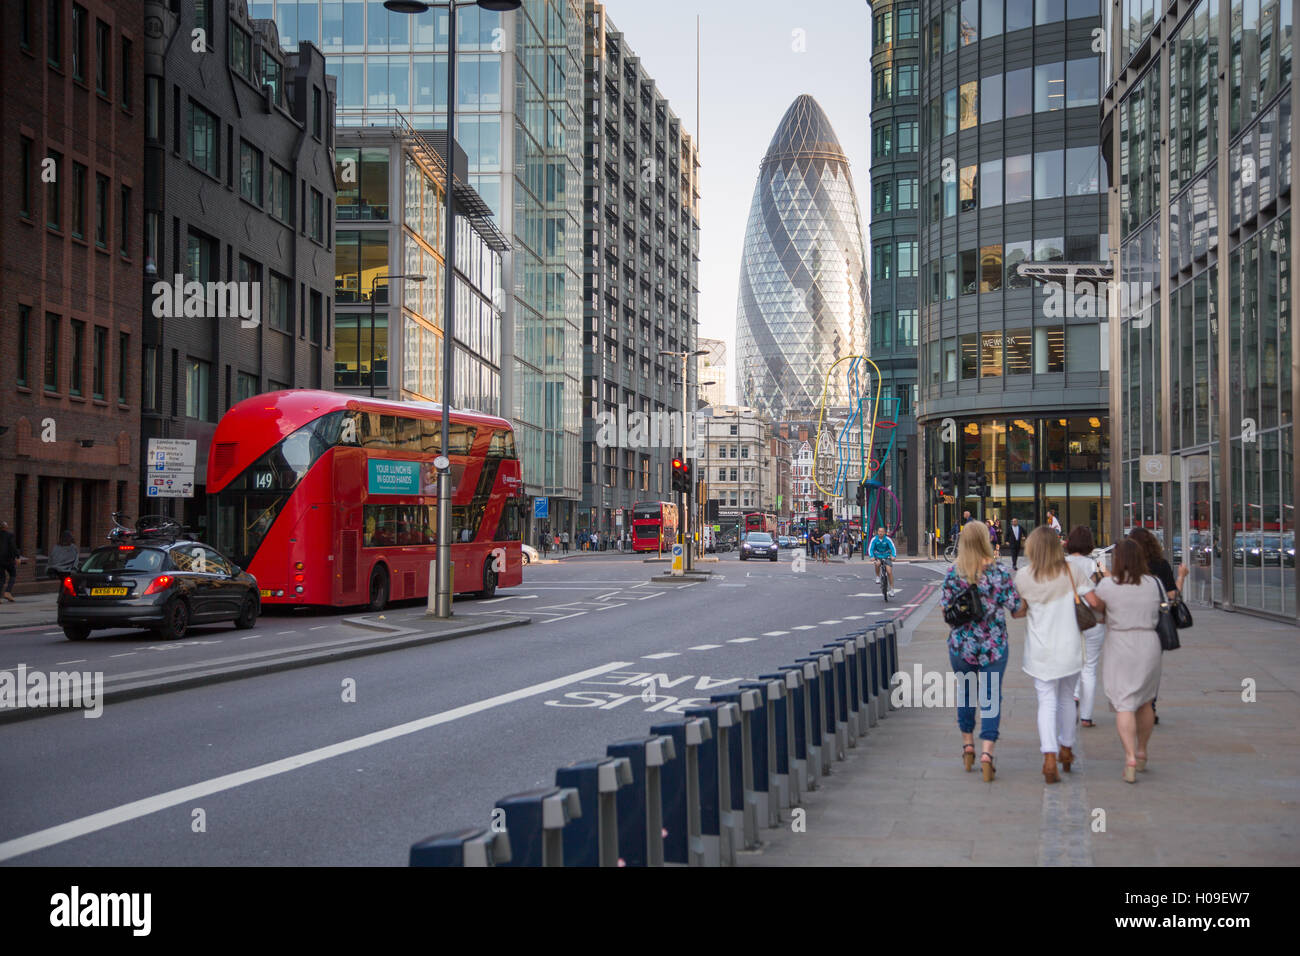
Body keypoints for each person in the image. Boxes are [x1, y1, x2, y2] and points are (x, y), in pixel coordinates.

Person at [1013, 526, 1100, 783]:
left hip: (1040, 652)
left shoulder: (1023, 576)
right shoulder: (1071, 572)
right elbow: (1094, 603)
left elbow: (1018, 611)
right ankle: (1066, 749)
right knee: (1065, 699)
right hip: (1070, 648)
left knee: (1046, 701)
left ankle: (1049, 757)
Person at [940, 520, 1023, 782]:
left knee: (965, 693)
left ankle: (968, 747)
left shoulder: (954, 573)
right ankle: (987, 753)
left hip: (961, 647)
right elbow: (1017, 610)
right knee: (990, 697)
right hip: (993, 647)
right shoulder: (998, 572)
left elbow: (945, 611)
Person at [1091, 539, 1163, 783]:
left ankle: (1130, 756)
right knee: (1145, 701)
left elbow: (1098, 616)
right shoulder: (1154, 583)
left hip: (1121, 643)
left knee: (1124, 703)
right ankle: (1142, 750)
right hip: (1149, 643)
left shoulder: (1108, 585)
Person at [1128, 527, 1186, 725]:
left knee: (1132, 668)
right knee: (1151, 668)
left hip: (1128, 625)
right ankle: (1149, 706)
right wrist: (1181, 577)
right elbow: (1172, 595)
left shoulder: (1127, 566)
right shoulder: (1161, 565)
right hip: (1154, 625)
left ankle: (1133, 705)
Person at [1064, 526, 1107, 729]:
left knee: (1070, 665)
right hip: (1092, 620)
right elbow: (1107, 587)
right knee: (1089, 668)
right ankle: (1087, 717)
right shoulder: (1096, 564)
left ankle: (1072, 698)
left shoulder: (1061, 565)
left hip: (1067, 620)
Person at [868, 527, 897, 594]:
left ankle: (892, 589)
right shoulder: (874, 539)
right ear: (877, 532)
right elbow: (870, 549)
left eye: (882, 531)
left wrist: (893, 556)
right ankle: (878, 576)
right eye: (879, 531)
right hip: (878, 556)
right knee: (877, 564)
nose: (880, 533)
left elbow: (893, 548)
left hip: (886, 556)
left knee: (889, 572)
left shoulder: (888, 539)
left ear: (884, 533)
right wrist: (871, 556)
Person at [0, 519, 24, 602]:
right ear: (5, 527)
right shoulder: (10, 535)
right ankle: (7, 592)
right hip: (8, 560)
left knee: (2, 578)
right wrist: (17, 557)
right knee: (13, 575)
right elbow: (13, 546)